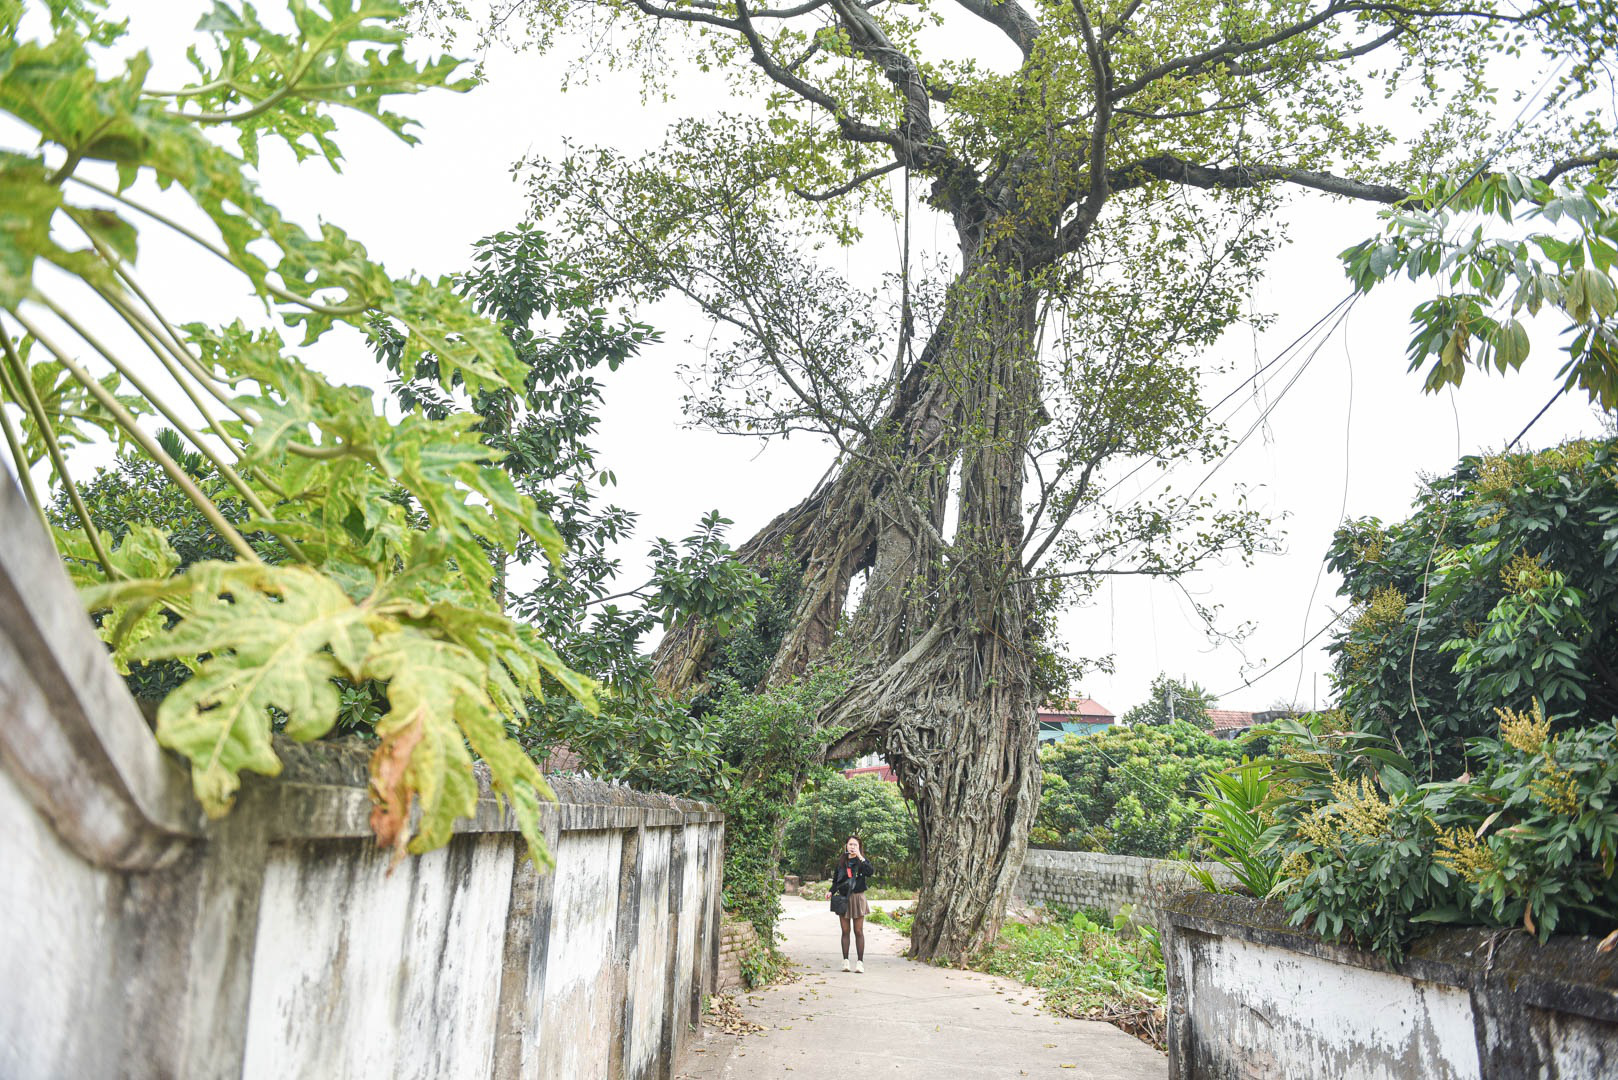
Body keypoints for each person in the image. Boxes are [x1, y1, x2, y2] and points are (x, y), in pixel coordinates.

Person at [828, 835, 874, 972]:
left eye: (855, 845)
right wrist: (831, 891)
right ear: (846, 846)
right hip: (843, 899)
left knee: (858, 931)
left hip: (858, 898)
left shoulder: (862, 862)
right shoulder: (841, 862)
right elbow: (836, 880)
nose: (852, 847)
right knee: (845, 931)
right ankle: (846, 961)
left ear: (859, 847)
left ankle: (860, 962)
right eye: (850, 844)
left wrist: (860, 856)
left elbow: (870, 872)